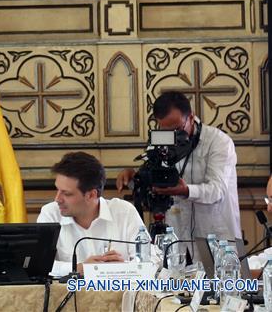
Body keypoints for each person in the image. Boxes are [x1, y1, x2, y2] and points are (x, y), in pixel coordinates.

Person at [116, 91, 241, 270]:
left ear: (191, 117)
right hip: (177, 236)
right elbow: (156, 176)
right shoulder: (161, 142)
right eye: (164, 129)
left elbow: (217, 190)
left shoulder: (219, 142)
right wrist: (133, 176)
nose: (170, 135)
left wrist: (185, 190)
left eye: (176, 129)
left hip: (214, 235)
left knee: (216, 291)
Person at [38, 152, 151, 276]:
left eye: (67, 193)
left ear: (91, 195)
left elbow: (151, 259)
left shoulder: (124, 211)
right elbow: (37, 265)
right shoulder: (50, 214)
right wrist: (78, 268)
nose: (57, 199)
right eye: (57, 189)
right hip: (67, 294)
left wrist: (122, 268)